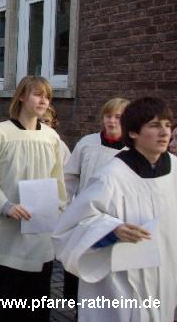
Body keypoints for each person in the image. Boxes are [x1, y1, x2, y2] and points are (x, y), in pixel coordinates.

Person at [53, 97, 177, 322]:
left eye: (168, 125)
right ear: (133, 133)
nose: (164, 132)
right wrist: (112, 230)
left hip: (166, 276)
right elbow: (68, 230)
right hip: (120, 284)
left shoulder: (175, 170)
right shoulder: (112, 176)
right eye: (155, 125)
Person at [0, 76, 65, 322]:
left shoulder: (51, 138)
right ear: (21, 97)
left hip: (36, 238)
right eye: (38, 94)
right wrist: (5, 206)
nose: (44, 100)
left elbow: (58, 185)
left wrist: (57, 214)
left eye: (47, 95)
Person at [61, 97, 129, 301]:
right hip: (85, 215)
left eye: (118, 116)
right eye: (108, 116)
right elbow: (69, 177)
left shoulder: (133, 151)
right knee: (80, 262)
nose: (112, 121)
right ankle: (76, 304)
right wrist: (65, 207)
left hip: (116, 219)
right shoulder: (87, 143)